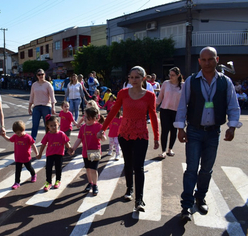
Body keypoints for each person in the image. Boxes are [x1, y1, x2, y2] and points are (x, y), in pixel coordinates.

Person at [174, 46, 241, 221]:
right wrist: (180, 129)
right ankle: (186, 206)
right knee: (191, 169)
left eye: (210, 59)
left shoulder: (225, 82)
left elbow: (233, 106)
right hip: (194, 131)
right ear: (199, 61)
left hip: (213, 133)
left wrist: (232, 127)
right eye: (203, 60)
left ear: (217, 60)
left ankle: (200, 197)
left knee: (206, 170)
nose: (207, 63)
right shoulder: (191, 81)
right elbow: (183, 105)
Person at [99, 66, 159, 212]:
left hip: (141, 135)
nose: (133, 80)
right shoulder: (123, 93)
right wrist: (103, 128)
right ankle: (129, 190)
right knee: (128, 164)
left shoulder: (150, 96)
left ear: (143, 78)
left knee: (139, 167)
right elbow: (113, 111)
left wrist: (157, 136)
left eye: (137, 77)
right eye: (131, 77)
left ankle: (139, 199)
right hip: (124, 134)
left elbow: (153, 116)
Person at [70, 107, 106, 196]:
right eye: (84, 116)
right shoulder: (83, 127)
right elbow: (79, 139)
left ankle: (95, 185)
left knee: (93, 169)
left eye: (87, 116)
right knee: (88, 169)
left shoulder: (99, 126)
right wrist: (73, 148)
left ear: (94, 117)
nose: (84, 118)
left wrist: (102, 136)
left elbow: (104, 139)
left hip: (95, 151)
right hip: (85, 152)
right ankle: (90, 182)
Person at [37, 115, 71, 191]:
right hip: (50, 154)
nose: (53, 127)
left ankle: (58, 181)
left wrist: (70, 150)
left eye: (55, 125)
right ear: (48, 126)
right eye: (51, 126)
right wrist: (39, 154)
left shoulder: (61, 134)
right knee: (48, 168)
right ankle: (48, 182)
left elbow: (66, 143)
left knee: (58, 168)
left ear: (58, 124)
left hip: (59, 154)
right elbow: (43, 145)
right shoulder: (48, 135)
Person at [1, 120, 39, 190]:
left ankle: (33, 174)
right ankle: (17, 182)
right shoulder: (15, 136)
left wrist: (37, 153)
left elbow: (33, 145)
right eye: (16, 133)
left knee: (29, 168)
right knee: (18, 170)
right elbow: (9, 139)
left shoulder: (28, 137)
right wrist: (4, 136)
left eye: (19, 132)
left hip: (26, 157)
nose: (17, 134)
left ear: (23, 130)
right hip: (18, 157)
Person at [156, 67, 184, 158]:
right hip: (165, 110)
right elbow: (160, 97)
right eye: (169, 75)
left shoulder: (183, 85)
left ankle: (170, 149)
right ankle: (163, 151)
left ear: (178, 76)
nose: (170, 77)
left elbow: (185, 100)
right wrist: (155, 106)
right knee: (165, 131)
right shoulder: (165, 83)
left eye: (173, 75)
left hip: (176, 111)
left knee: (174, 131)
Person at [28, 68, 57, 141]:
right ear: (37, 76)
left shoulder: (48, 84)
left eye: (42, 74)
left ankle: (49, 140)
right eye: (39, 74)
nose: (41, 76)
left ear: (45, 74)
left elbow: (52, 97)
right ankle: (32, 141)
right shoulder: (34, 85)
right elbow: (31, 96)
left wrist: (53, 107)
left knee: (47, 125)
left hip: (46, 107)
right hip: (36, 107)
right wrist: (29, 107)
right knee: (35, 125)